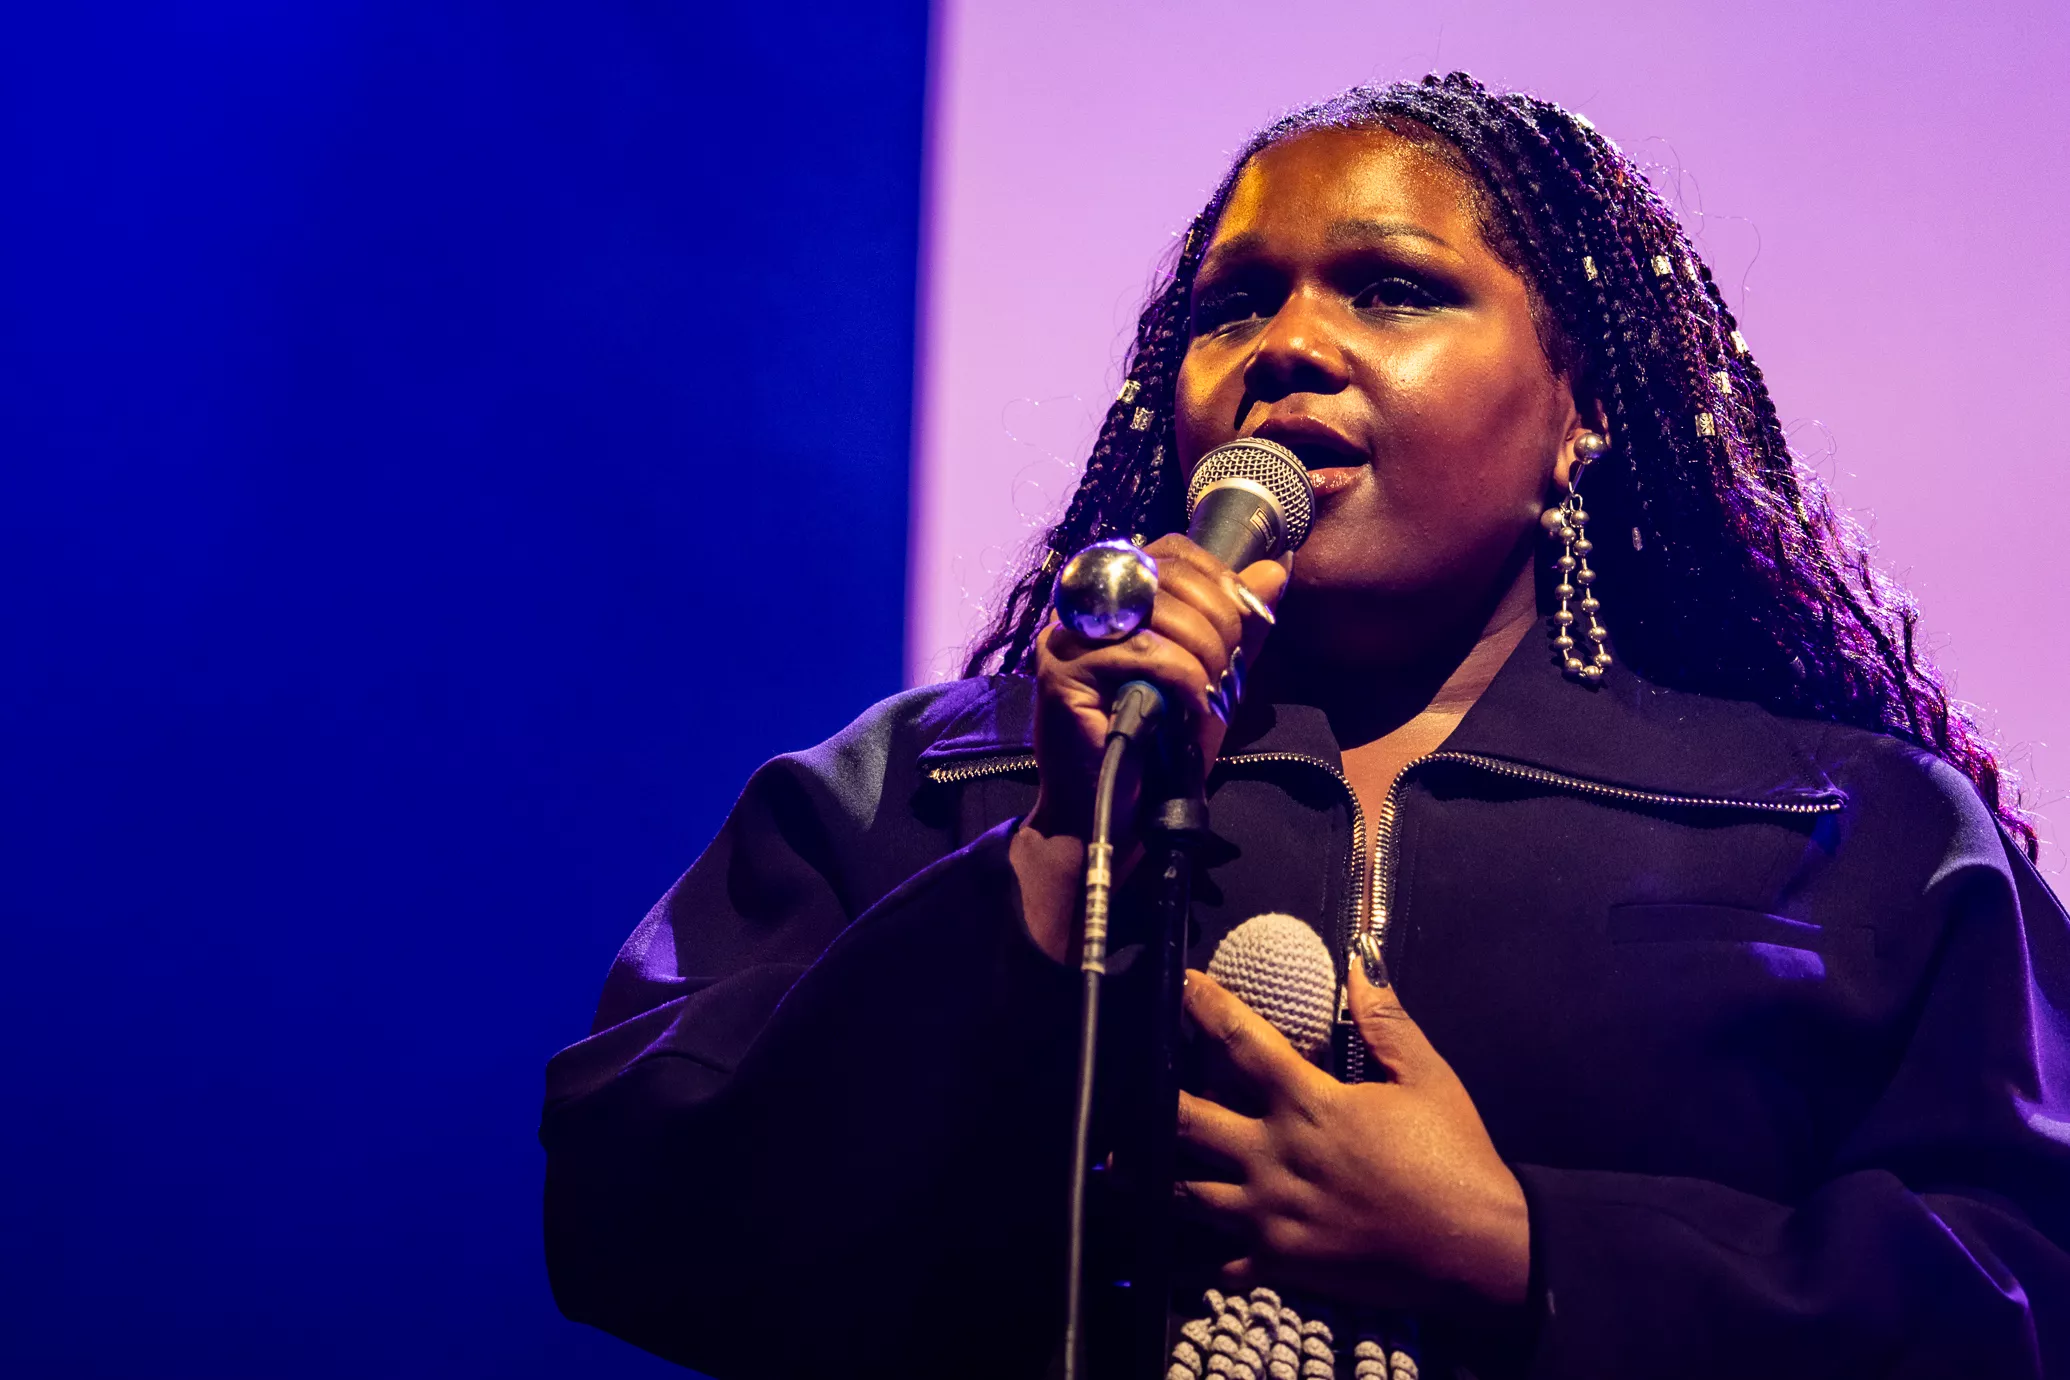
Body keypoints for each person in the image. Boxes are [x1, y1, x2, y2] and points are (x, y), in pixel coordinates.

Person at [539, 73, 2070, 1379]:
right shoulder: (934, 782)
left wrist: (1524, 1248)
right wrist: (1053, 853)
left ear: (1581, 406)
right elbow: (635, 1215)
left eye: (1389, 289)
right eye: (1234, 306)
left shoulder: (1839, 826)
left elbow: (2022, 1292)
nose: (1286, 343)